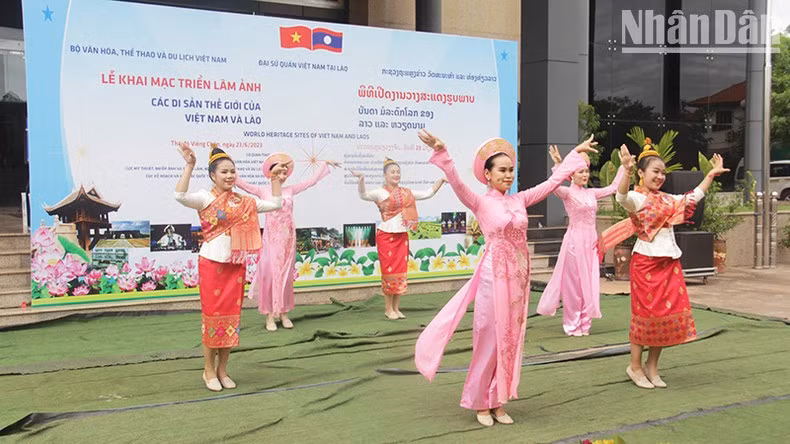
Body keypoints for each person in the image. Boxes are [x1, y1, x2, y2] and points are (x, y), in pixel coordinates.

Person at [414, 130, 597, 426]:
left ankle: (499, 400)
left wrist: (574, 153)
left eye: (511, 170)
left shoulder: (519, 200)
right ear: (487, 174)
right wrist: (444, 154)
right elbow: (458, 185)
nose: (508, 175)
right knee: (488, 339)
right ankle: (479, 402)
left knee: (511, 341)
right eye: (502, 170)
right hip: (492, 278)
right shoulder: (480, 202)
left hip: (519, 280)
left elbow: (552, 184)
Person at [603, 138, 728, 389]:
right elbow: (621, 197)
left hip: (669, 263)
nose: (660, 176)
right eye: (655, 172)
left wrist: (711, 175)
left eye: (663, 172)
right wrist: (625, 171)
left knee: (666, 315)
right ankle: (635, 366)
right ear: (641, 173)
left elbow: (693, 197)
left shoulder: (667, 199)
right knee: (644, 316)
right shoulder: (638, 198)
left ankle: (653, 366)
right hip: (646, 264)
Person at [174, 142, 287, 392]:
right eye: (224, 172)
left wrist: (275, 179)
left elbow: (276, 204)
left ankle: (223, 370)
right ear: (213, 175)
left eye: (232, 171)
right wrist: (189, 166)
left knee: (230, 320)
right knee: (213, 320)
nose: (229, 176)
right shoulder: (205, 197)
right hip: (212, 264)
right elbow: (180, 196)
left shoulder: (244, 201)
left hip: (236, 266)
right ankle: (208, 370)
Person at [236, 153, 340, 331]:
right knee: (271, 275)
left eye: (285, 173)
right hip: (271, 240)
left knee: (285, 276)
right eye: (279, 173)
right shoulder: (262, 191)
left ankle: (283, 313)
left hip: (288, 239)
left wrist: (324, 165)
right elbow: (241, 183)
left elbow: (311, 182)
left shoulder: (290, 190)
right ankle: (269, 316)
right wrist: (222, 160)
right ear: (270, 173)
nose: (283, 176)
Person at [536, 144, 629, 336]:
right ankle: (571, 323)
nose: (585, 175)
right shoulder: (567, 193)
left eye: (587, 171)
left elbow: (613, 188)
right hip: (573, 242)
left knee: (590, 282)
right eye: (581, 172)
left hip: (591, 243)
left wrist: (623, 167)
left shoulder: (591, 193)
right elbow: (552, 186)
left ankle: (585, 324)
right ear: (572, 175)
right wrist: (559, 166)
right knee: (572, 284)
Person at [351, 159, 445, 320]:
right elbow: (363, 195)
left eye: (398, 172)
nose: (396, 174)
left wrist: (442, 180)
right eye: (392, 172)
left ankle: (396, 308)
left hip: (402, 235)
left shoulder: (406, 192)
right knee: (389, 272)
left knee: (401, 272)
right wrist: (361, 180)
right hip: (386, 236)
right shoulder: (380, 193)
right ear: (385, 175)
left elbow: (428, 193)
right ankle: (388, 309)